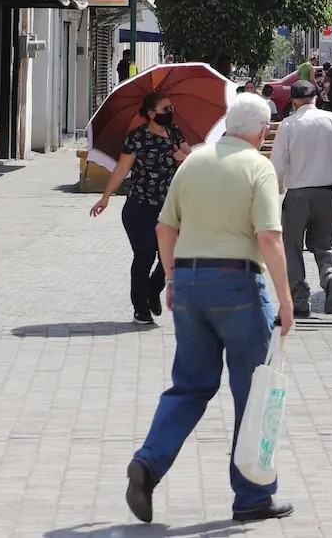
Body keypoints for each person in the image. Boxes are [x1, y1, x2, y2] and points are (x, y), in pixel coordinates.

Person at [124, 94, 294, 525]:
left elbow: (165, 226)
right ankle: (252, 496)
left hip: (190, 282)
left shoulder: (194, 162)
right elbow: (270, 239)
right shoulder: (258, 167)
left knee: (190, 386)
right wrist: (286, 298)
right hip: (237, 282)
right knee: (251, 390)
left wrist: (173, 277)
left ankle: (148, 464)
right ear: (260, 131)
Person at [93, 91, 191, 324]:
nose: (171, 112)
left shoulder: (175, 133)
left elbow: (192, 159)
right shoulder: (137, 137)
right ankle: (140, 308)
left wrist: (182, 156)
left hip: (169, 208)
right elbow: (121, 170)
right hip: (139, 206)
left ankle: (152, 289)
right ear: (151, 113)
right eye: (165, 109)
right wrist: (105, 197)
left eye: (171, 108)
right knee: (145, 254)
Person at [271, 81, 332, 318]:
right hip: (327, 193)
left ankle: (299, 300)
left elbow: (278, 164)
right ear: (316, 98)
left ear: (294, 101)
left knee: (292, 247)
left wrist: (275, 191)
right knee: (324, 244)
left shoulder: (288, 124)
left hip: (297, 194)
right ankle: (330, 275)